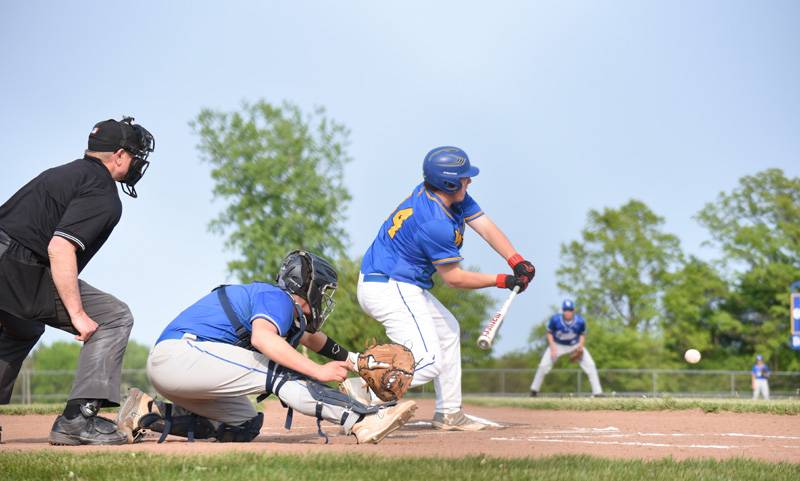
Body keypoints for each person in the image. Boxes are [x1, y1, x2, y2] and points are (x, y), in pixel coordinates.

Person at [116, 250, 416, 444]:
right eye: (322, 291)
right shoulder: (277, 298)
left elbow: (313, 339)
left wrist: (355, 361)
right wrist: (317, 370)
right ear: (306, 287)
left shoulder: (284, 310)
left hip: (184, 367)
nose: (323, 300)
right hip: (181, 355)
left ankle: (148, 412)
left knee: (244, 424)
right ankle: (362, 420)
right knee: (284, 373)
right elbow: (263, 339)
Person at [348, 146, 535, 431]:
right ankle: (365, 389)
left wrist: (516, 261)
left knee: (448, 331)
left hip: (398, 282)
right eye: (464, 178)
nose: (469, 181)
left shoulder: (445, 195)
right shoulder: (434, 221)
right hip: (389, 285)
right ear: (448, 183)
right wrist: (503, 280)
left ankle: (449, 413)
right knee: (428, 361)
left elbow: (484, 226)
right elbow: (455, 279)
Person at [0, 117, 155, 445]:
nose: (138, 163)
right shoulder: (103, 191)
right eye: (136, 155)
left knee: (22, 327)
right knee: (113, 317)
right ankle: (78, 420)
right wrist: (78, 314)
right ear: (119, 156)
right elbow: (60, 247)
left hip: (8, 262)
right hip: (16, 267)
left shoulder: (63, 173)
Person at [529, 299, 603, 397]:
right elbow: (549, 333)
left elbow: (582, 334)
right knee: (543, 366)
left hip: (574, 345)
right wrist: (552, 347)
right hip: (557, 345)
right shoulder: (555, 320)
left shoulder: (580, 321)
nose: (567, 312)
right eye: (566, 310)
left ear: (573, 310)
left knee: (591, 365)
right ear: (562, 311)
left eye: (570, 310)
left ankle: (597, 393)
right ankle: (534, 391)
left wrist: (580, 345)